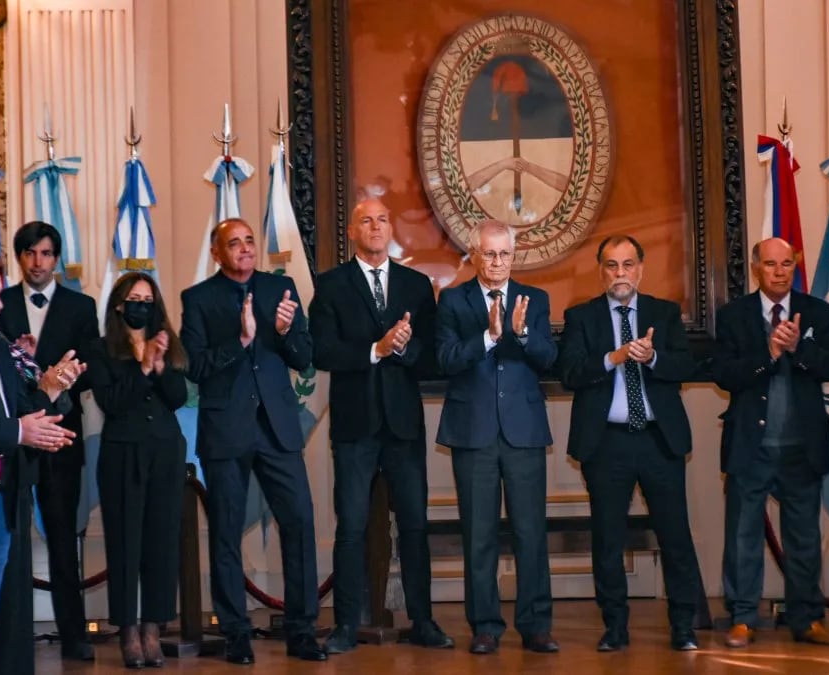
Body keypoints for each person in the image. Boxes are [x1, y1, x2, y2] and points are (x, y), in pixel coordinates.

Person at [180, 218, 326, 664]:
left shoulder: (280, 290)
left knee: (299, 523)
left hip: (278, 427)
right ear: (217, 252)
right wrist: (241, 341)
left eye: (249, 242)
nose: (245, 249)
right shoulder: (198, 299)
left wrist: (283, 333)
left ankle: (302, 631)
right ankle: (236, 634)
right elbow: (195, 368)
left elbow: (304, 358)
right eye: (234, 243)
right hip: (227, 430)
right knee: (225, 532)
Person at [309, 198, 452, 653]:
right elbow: (322, 352)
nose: (375, 226)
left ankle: (424, 621)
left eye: (383, 219)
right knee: (351, 527)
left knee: (413, 524)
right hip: (354, 427)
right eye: (366, 219)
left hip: (403, 426)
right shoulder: (330, 285)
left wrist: (405, 349)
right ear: (352, 231)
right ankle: (348, 624)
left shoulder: (415, 285)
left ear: (392, 228)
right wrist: (377, 348)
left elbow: (429, 357)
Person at [558, 235, 702, 652]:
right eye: (610, 265)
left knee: (675, 537)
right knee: (608, 539)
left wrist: (652, 358)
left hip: (659, 441)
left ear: (640, 267)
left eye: (627, 264)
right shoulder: (582, 317)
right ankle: (615, 627)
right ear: (600, 270)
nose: (619, 274)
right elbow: (570, 371)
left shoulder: (664, 312)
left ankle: (683, 627)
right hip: (607, 444)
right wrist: (614, 358)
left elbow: (684, 365)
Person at [712, 237, 829, 649]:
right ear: (756, 267)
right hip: (751, 445)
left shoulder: (818, 313)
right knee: (742, 536)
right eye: (771, 264)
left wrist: (798, 347)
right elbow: (724, 374)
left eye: (787, 263)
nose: (780, 271)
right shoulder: (734, 316)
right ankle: (743, 617)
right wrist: (768, 354)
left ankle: (807, 619)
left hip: (801, 446)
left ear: (795, 265)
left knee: (804, 537)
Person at [435, 219, 558, 655]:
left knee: (531, 533)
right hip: (474, 433)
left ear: (514, 255)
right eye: (489, 254)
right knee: (479, 534)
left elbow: (549, 359)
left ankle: (536, 625)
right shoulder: (453, 300)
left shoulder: (535, 299)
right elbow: (446, 359)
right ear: (475, 253)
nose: (498, 262)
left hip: (522, 431)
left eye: (505, 254)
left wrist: (522, 334)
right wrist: (488, 336)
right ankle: (485, 626)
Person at [0, 221, 99, 661]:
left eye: (46, 254)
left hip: (60, 431)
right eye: (30, 253)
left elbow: (91, 359)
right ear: (19, 258)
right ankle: (7, 635)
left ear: (57, 258)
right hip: (13, 434)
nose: (38, 262)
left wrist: (59, 374)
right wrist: (17, 355)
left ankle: (75, 634)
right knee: (10, 538)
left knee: (62, 537)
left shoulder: (81, 305)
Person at [87, 272, 188, 667]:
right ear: (118, 305)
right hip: (122, 452)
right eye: (134, 299)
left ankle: (153, 628)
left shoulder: (168, 342)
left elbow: (178, 398)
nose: (141, 305)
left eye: (148, 299)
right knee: (126, 541)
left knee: (162, 541)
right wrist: (142, 368)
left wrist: (160, 366)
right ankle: (127, 630)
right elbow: (111, 402)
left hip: (165, 450)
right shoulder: (100, 349)